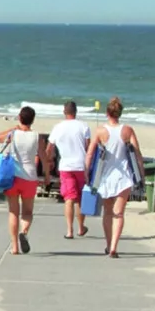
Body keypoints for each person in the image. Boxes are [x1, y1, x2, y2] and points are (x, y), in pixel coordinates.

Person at [85, 97, 143, 258]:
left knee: (108, 213)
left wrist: (86, 172)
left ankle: (108, 244)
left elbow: (90, 153)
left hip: (105, 177)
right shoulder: (127, 130)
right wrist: (141, 174)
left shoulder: (100, 131)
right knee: (119, 214)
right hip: (124, 177)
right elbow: (137, 154)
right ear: (120, 113)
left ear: (107, 113)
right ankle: (114, 248)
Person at [0, 106, 47, 255]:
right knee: (28, 212)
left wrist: (14, 128)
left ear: (19, 117)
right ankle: (23, 231)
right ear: (33, 120)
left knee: (13, 211)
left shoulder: (14, 134)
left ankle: (15, 247)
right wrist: (47, 174)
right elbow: (43, 157)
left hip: (13, 177)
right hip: (30, 177)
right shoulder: (37, 137)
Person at [47, 100, 92, 239]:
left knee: (69, 198)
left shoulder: (58, 127)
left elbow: (50, 148)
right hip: (80, 165)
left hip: (66, 166)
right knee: (80, 198)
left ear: (64, 112)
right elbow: (88, 148)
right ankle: (80, 227)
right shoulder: (84, 126)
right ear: (76, 112)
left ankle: (69, 230)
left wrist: (49, 162)